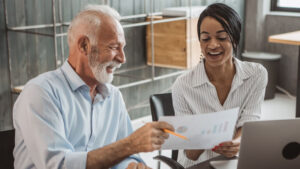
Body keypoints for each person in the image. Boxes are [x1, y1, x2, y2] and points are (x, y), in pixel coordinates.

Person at [13, 5, 174, 169]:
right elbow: (58, 165)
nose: (122, 58)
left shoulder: (114, 96)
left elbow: (127, 157)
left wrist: (132, 165)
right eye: (113, 47)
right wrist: (130, 144)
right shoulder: (40, 93)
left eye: (122, 47)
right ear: (84, 46)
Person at [172, 3, 268, 167]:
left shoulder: (256, 75)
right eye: (205, 38)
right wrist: (204, 137)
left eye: (222, 37)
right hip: (197, 166)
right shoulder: (182, 86)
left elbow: (249, 123)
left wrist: (237, 143)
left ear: (235, 38)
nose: (213, 45)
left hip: (235, 164)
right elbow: (190, 153)